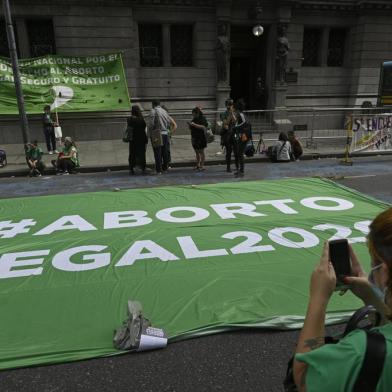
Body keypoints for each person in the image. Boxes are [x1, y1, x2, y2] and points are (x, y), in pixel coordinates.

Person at [293, 207, 392, 391]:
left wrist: (318, 299)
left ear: (385, 272)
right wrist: (372, 297)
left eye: (374, 266)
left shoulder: (360, 352)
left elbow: (304, 378)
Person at [148, 100, 177, 174]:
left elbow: (151, 124)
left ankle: (158, 170)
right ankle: (165, 168)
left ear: (153, 104)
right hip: (165, 133)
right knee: (165, 152)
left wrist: (149, 133)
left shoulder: (153, 111)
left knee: (157, 152)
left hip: (157, 134)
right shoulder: (164, 111)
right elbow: (168, 122)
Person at [127, 105, 148, 175]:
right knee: (142, 154)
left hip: (133, 139)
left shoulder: (130, 119)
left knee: (132, 154)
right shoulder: (141, 119)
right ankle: (143, 168)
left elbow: (129, 128)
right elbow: (144, 126)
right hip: (141, 139)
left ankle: (131, 169)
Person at [188, 107, 208, 171]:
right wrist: (190, 125)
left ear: (197, 113)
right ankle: (198, 165)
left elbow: (204, 127)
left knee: (201, 151)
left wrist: (194, 125)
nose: (192, 115)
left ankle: (202, 165)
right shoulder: (194, 119)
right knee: (196, 151)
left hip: (201, 137)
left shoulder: (203, 118)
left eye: (193, 113)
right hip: (194, 137)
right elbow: (191, 128)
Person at [232, 99, 248, 177]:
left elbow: (244, 123)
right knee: (239, 153)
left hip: (243, 136)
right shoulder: (239, 114)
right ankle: (240, 170)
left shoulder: (241, 114)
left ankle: (241, 171)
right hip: (241, 135)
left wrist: (236, 127)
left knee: (240, 153)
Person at [219, 98, 235, 172]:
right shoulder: (223, 114)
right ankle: (228, 167)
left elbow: (235, 121)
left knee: (237, 151)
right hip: (227, 135)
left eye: (231, 104)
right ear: (226, 105)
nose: (230, 106)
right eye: (228, 104)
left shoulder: (235, 113)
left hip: (234, 134)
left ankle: (237, 166)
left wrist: (232, 114)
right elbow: (226, 123)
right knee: (228, 151)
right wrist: (230, 114)